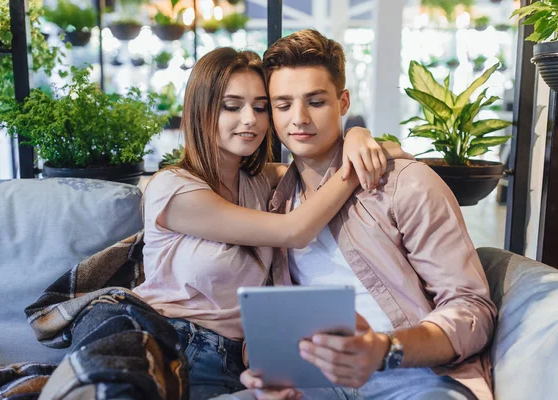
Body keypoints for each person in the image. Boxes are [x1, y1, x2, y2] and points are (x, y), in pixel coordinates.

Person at [133, 47, 411, 400]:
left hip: (249, 359)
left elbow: (321, 164)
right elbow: (294, 231)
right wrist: (354, 169)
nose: (250, 119)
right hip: (175, 345)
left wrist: (358, 136)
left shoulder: (261, 182)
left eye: (261, 107)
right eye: (232, 106)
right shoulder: (173, 188)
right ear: (201, 111)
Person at [237, 29, 497, 400]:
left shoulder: (406, 185)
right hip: (313, 382)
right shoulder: (273, 202)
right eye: (283, 105)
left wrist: (385, 350)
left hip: (414, 377)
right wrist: (267, 368)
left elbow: (473, 310)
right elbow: (262, 319)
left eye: (316, 101)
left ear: (343, 102)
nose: (300, 119)